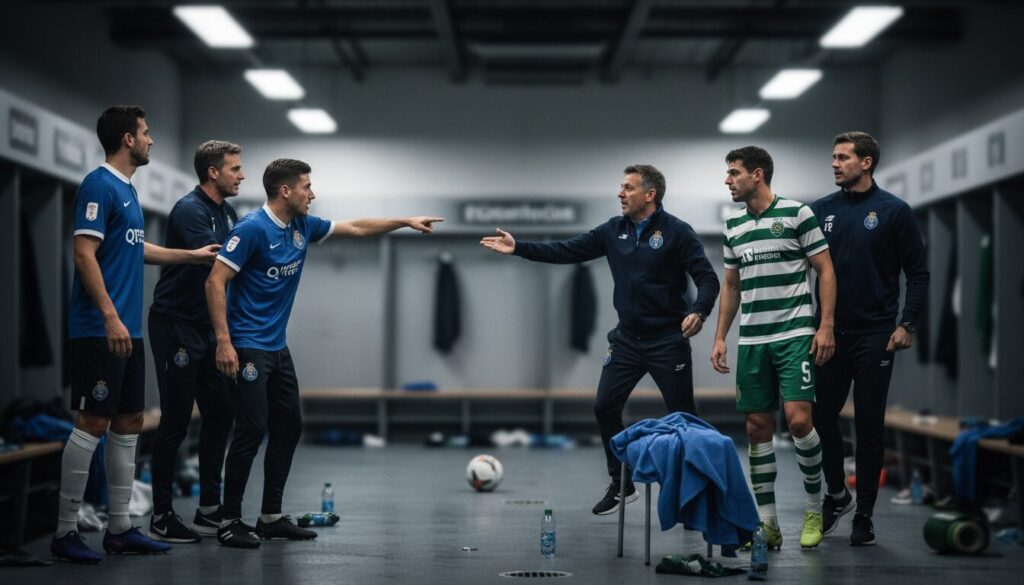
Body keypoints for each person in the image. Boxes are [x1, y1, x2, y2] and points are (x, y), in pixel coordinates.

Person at [206, 158, 443, 548]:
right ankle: (230, 521)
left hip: (276, 348)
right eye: (306, 187)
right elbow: (215, 282)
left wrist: (403, 220)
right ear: (286, 191)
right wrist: (223, 342)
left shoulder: (301, 226)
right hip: (246, 345)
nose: (312, 194)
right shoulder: (251, 229)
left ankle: (270, 517)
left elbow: (355, 228)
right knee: (251, 429)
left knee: (289, 426)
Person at [481, 164, 720, 516]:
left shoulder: (678, 232)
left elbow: (708, 278)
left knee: (684, 418)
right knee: (604, 406)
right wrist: (519, 248)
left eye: (628, 188)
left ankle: (699, 491)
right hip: (626, 341)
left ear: (650, 195)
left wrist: (699, 312)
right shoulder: (613, 230)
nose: (620, 193)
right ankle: (622, 483)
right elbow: (566, 250)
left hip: (667, 341)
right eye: (620, 187)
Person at [53, 106, 220, 563]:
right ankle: (66, 530)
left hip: (128, 328)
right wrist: (108, 316)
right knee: (92, 423)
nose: (151, 141)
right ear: (127, 139)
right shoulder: (98, 184)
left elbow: (133, 248)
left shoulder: (127, 191)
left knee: (128, 423)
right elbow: (83, 255)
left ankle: (121, 527)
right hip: (100, 328)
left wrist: (190, 256)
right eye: (146, 134)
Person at [710, 146, 836, 550]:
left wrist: (826, 325)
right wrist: (719, 338)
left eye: (733, 173)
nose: (727, 180)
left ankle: (815, 507)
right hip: (753, 340)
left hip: (794, 335)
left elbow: (826, 270)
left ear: (757, 174)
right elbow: (731, 285)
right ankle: (769, 524)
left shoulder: (798, 213)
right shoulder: (734, 226)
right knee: (756, 429)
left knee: (799, 422)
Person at [810, 132, 928, 546]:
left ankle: (864, 515)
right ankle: (837, 494)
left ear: (867, 163)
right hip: (828, 333)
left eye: (843, 157)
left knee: (869, 423)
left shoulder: (894, 212)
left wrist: (907, 323)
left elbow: (918, 272)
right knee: (821, 418)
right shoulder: (819, 211)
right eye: (833, 156)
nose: (835, 164)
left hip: (876, 333)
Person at [147, 141, 245, 543]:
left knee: (221, 413)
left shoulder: (228, 211)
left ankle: (208, 509)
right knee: (175, 420)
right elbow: (218, 261)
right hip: (176, 325)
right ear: (212, 172)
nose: (241, 175)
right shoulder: (191, 210)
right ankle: (162, 514)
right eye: (235, 169)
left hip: (205, 328)